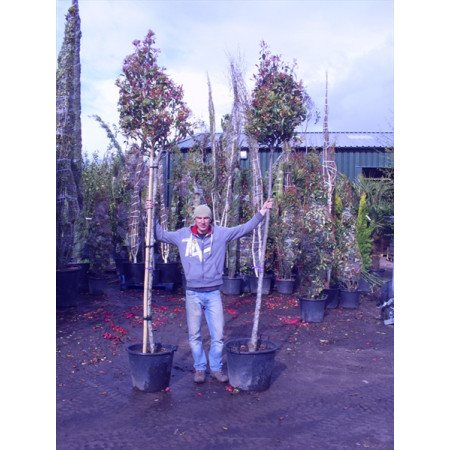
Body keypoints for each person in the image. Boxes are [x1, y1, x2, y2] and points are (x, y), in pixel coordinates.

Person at [146, 198, 273, 383]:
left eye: (206, 218)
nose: (203, 221)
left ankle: (215, 368)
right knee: (195, 335)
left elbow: (244, 228)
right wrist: (152, 212)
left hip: (213, 293)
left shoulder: (221, 234)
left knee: (218, 335)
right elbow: (159, 234)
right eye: (199, 218)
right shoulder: (182, 235)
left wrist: (262, 212)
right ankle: (199, 368)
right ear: (194, 219)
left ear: (210, 219)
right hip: (192, 293)